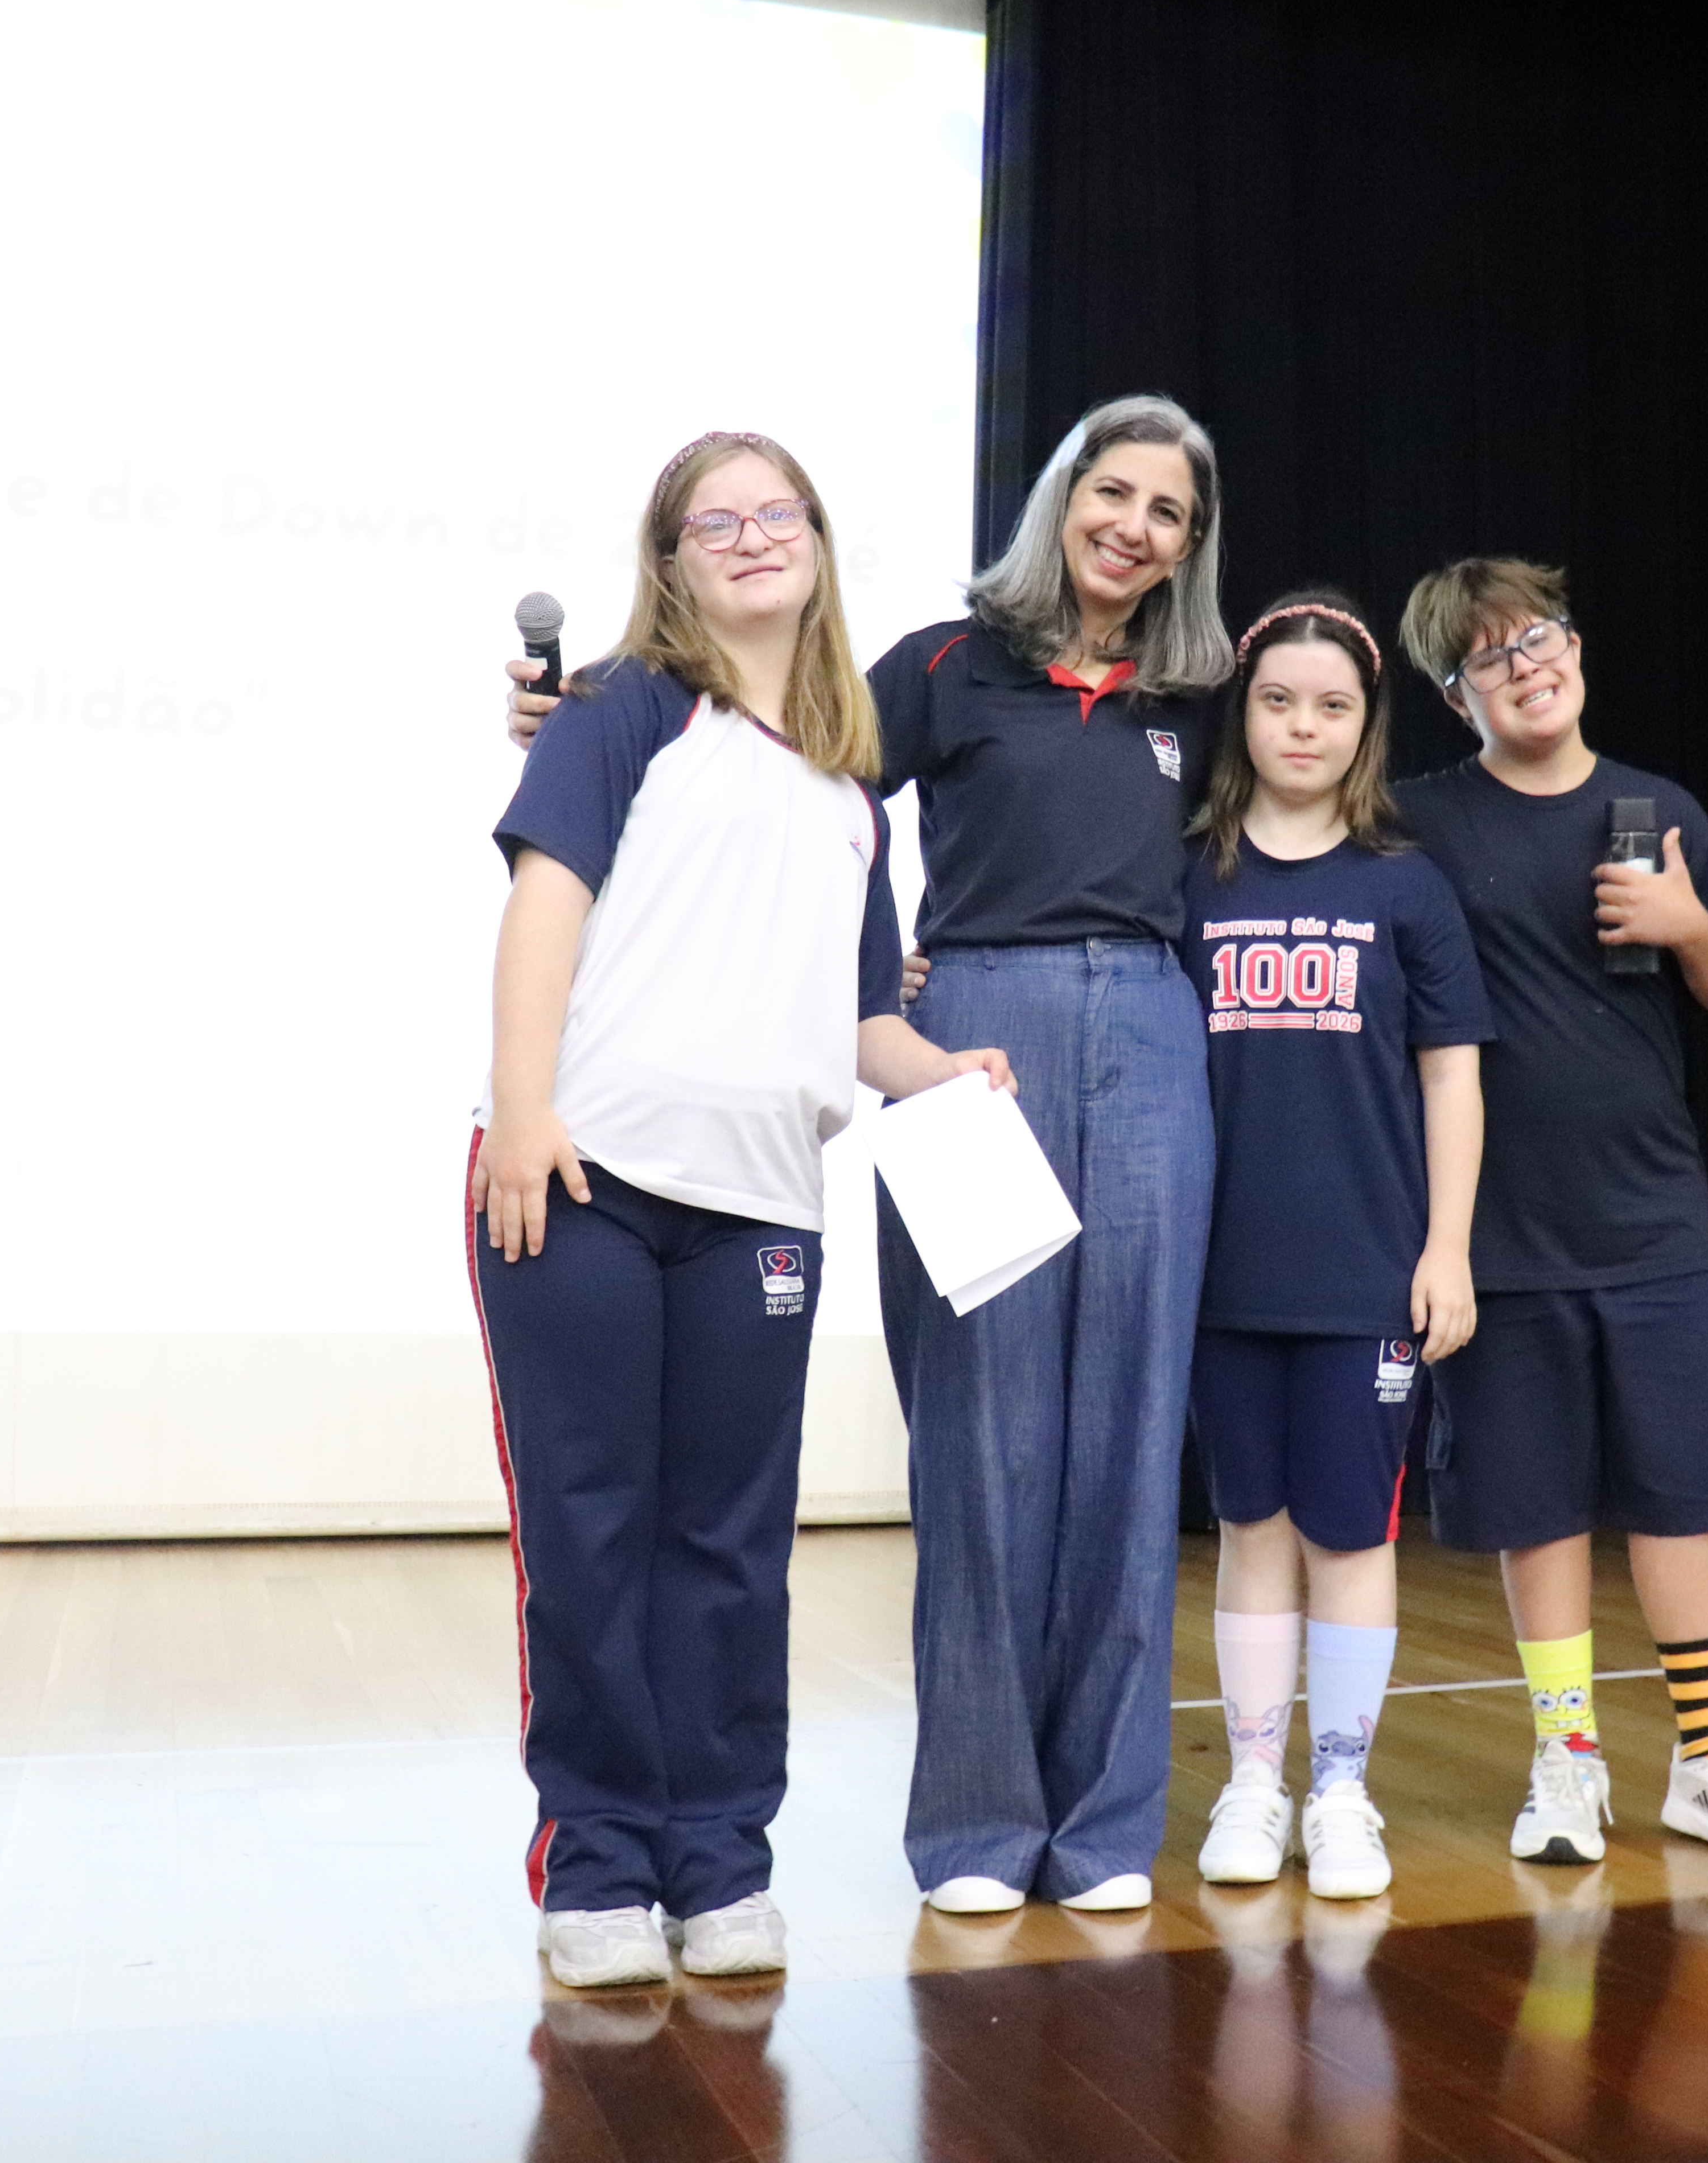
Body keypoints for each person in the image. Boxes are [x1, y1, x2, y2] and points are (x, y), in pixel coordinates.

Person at [505, 392, 1229, 1915]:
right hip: (949, 1035)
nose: (1134, 526)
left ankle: (1090, 1828)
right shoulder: (936, 667)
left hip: (1117, 1049)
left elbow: (844, 948)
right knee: (978, 1444)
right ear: (1059, 501)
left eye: (1168, 510)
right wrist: (553, 720)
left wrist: (916, 1049)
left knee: (1120, 1446)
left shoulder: (1197, 699)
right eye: (1111, 492)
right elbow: (736, 771)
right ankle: (959, 1829)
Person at [470, 430, 1011, 1991]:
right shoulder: (623, 713)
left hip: (765, 1212)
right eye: (720, 521)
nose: (755, 536)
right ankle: (599, 1867)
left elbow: (856, 1022)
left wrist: (947, 1071)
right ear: (674, 559)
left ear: (822, 544)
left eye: (780, 513)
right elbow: (543, 905)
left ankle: (720, 1864)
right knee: (590, 1538)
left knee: (728, 1549)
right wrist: (521, 1112)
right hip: (576, 1186)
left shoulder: (852, 785)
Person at [1388, 557, 1708, 1869]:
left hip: (1653, 1223)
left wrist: (1689, 923)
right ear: (1457, 695)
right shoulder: (1417, 824)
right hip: (1497, 1233)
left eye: (1545, 636)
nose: (1531, 664)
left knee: (1683, 1490)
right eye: (1494, 656)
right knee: (1538, 1502)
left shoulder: (1657, 809)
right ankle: (1566, 1756)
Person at [1175, 591, 1490, 1902]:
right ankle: (1254, 1782)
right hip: (1221, 1274)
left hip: (1368, 1270)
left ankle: (1341, 1789)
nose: (1304, 724)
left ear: (1366, 727)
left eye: (1334, 706)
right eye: (1279, 700)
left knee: (1352, 1535)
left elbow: (1453, 1080)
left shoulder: (1407, 884)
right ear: (1243, 714)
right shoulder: (1189, 873)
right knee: (1254, 1524)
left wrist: (1449, 1248)